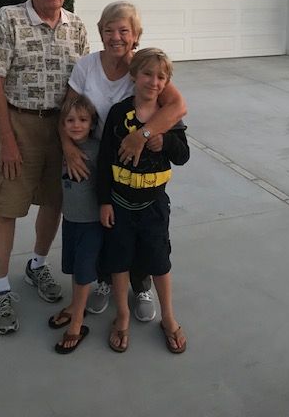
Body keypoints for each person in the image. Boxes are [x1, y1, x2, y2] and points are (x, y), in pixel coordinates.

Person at [0, 0, 89, 335]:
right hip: (18, 124)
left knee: (54, 201)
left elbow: (83, 83)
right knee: (6, 206)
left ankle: (37, 265)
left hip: (61, 128)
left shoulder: (77, 26)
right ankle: (0, 288)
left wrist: (75, 139)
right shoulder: (9, 19)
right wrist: (7, 140)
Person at [62, 1, 186, 321]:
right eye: (109, 30)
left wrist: (142, 136)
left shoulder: (143, 67)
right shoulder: (87, 66)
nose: (116, 37)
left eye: (124, 31)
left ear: (135, 36)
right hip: (96, 158)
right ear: (100, 32)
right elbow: (67, 110)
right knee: (103, 224)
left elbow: (177, 107)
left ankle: (141, 282)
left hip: (137, 165)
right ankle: (105, 279)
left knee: (142, 231)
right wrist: (68, 148)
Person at [98, 48, 189, 354]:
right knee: (119, 260)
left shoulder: (168, 119)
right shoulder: (118, 113)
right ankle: (122, 315)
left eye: (161, 77)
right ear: (134, 75)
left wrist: (167, 141)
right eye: (147, 74)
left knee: (159, 262)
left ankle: (168, 316)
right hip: (120, 204)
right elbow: (104, 161)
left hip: (154, 207)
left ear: (167, 82)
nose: (154, 82)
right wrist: (104, 201)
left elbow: (183, 156)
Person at [48, 95, 102, 354]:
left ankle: (77, 324)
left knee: (83, 273)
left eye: (83, 120)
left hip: (91, 223)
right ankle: (74, 307)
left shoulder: (97, 150)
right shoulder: (64, 148)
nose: (76, 125)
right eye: (70, 120)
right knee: (73, 268)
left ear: (92, 124)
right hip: (70, 220)